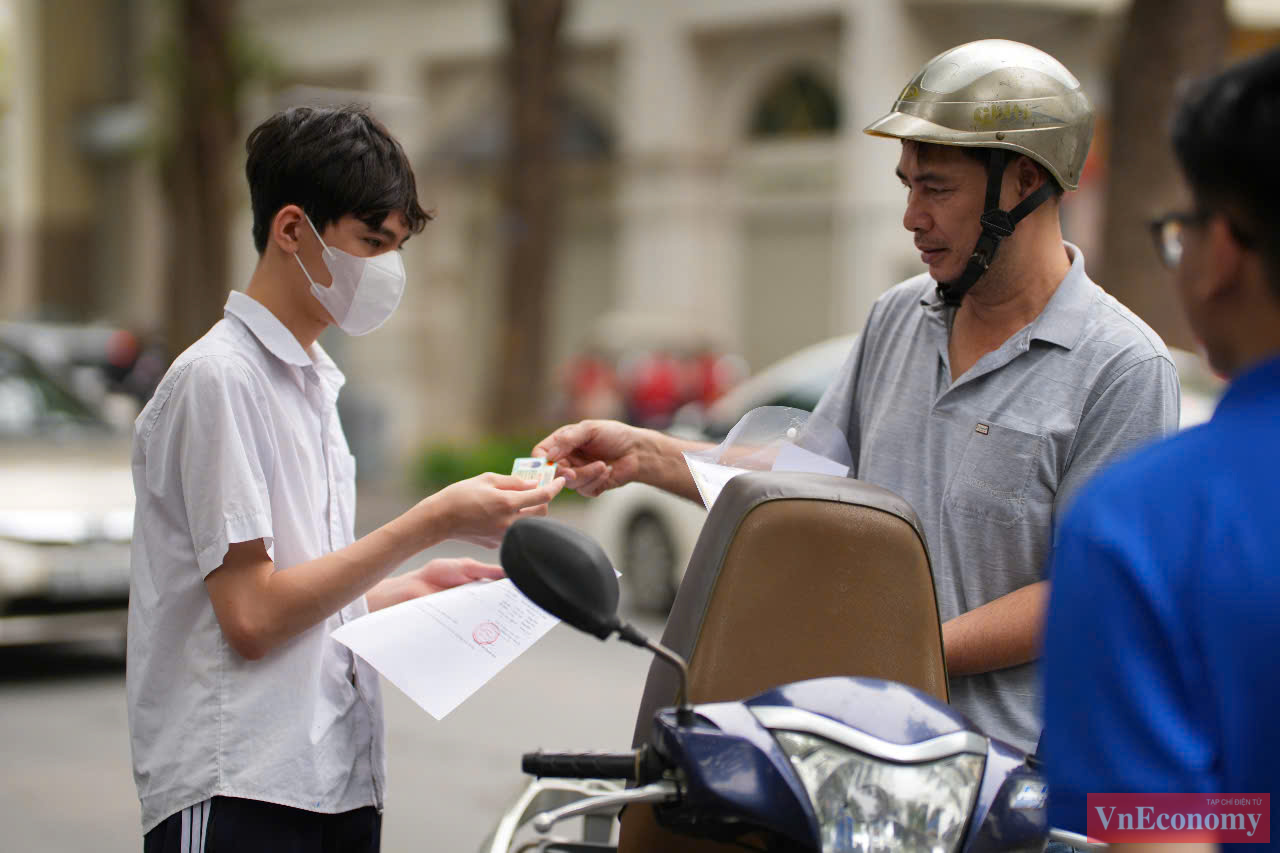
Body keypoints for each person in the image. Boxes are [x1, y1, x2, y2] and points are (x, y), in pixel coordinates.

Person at [534, 40, 1179, 754]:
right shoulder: (898, 317)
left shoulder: (1123, 367)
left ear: (1024, 180)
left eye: (935, 188)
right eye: (906, 185)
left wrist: (902, 651)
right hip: (843, 744)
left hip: (1004, 775)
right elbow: (808, 482)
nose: (911, 216)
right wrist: (649, 452)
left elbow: (1086, 594)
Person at [127, 105, 564, 852]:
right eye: (371, 242)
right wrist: (428, 521)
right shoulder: (219, 380)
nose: (386, 269)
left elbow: (296, 592)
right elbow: (252, 615)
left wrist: (402, 595)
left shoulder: (311, 385)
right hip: (242, 787)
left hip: (335, 782)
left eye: (395, 246)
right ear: (290, 229)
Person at [1040, 47, 1280, 849]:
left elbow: (1158, 827)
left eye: (1179, 232)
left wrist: (1254, 815)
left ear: (1219, 255)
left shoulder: (1141, 524)